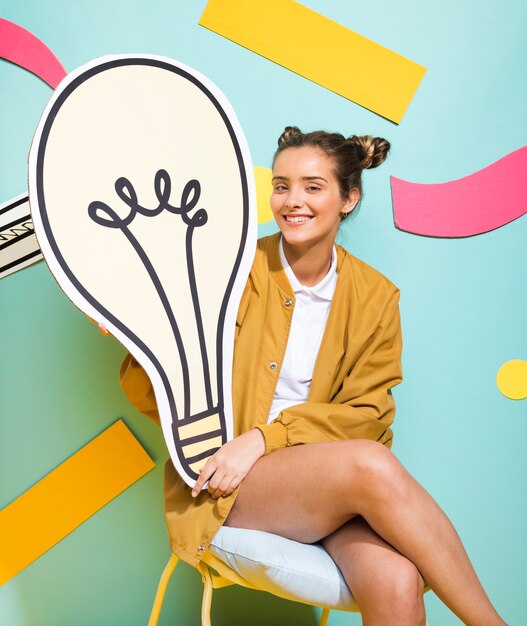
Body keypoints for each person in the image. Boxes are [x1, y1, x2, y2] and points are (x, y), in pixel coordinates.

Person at [118, 127, 507, 625]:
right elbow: (159, 390)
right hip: (227, 483)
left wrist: (266, 437)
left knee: (397, 578)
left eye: (312, 187)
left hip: (325, 491)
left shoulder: (376, 297)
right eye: (281, 186)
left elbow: (366, 416)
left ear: (349, 198)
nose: (292, 201)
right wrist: (139, 335)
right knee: (370, 465)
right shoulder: (227, 272)